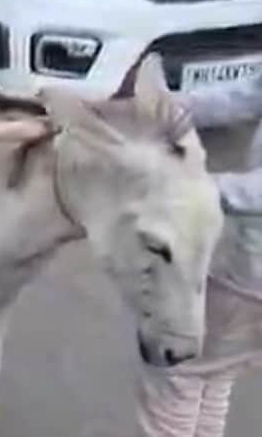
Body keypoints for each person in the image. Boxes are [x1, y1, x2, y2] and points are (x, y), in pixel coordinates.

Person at [136, 75, 262, 437]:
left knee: (177, 368)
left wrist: (190, 188)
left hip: (250, 281)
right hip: (246, 274)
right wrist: (162, 110)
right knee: (215, 371)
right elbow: (245, 95)